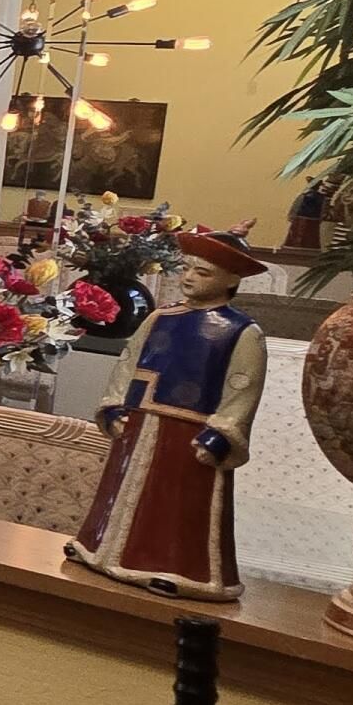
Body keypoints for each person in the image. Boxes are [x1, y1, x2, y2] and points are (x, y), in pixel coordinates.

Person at [66, 231, 269, 600]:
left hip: (189, 432)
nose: (189, 277)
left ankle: (180, 569)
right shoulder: (160, 317)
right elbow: (129, 362)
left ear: (231, 280)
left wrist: (221, 434)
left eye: (203, 272)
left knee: (179, 504)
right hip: (139, 421)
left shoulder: (242, 332)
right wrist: (114, 405)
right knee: (119, 489)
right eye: (186, 268)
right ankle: (98, 548)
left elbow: (243, 387)